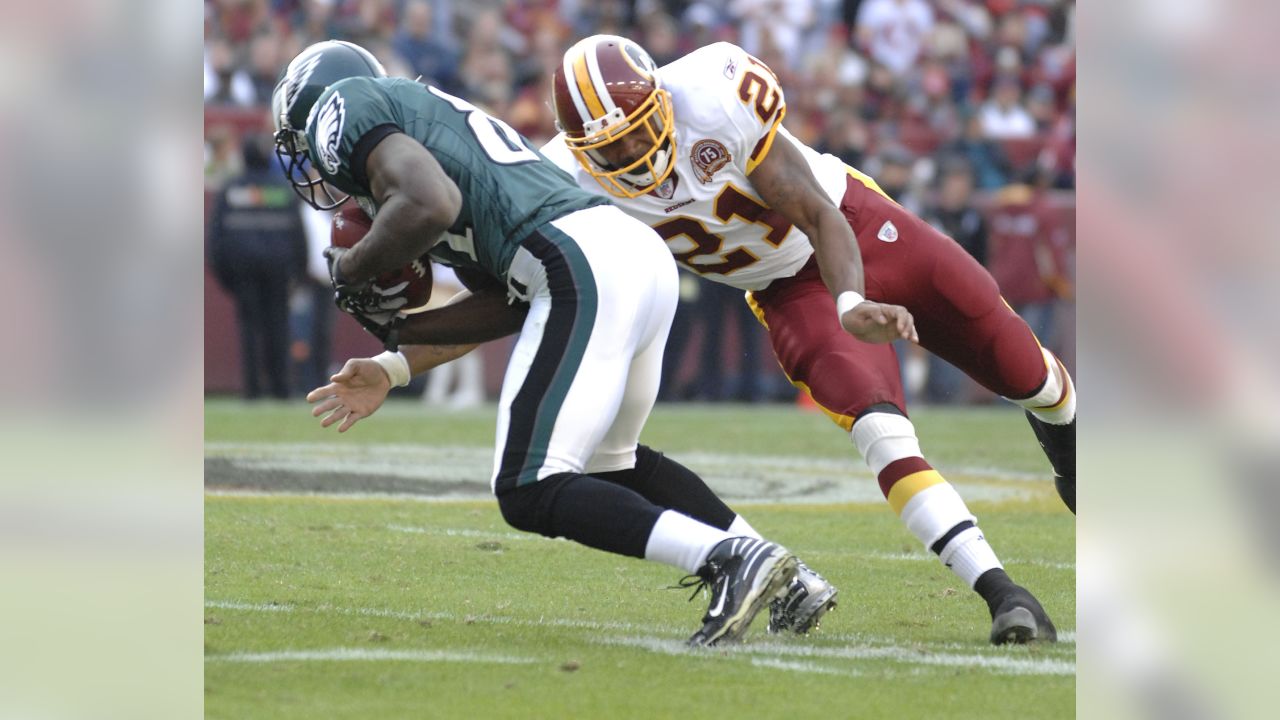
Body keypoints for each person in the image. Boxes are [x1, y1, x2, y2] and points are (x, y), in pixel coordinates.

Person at [270, 40, 837, 645]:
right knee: (611, 463)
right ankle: (789, 576)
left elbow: (431, 204)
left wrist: (353, 268)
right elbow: (509, 304)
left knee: (527, 485)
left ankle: (726, 559)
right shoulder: (442, 147)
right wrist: (395, 359)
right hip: (627, 257)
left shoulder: (346, 104)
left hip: (582, 261)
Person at [543, 35, 1076, 643]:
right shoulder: (561, 179)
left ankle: (1068, 443)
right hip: (786, 289)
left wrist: (849, 300)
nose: (635, 153)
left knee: (1024, 369)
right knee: (878, 428)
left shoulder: (715, 93)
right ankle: (1003, 592)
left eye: (638, 130)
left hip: (857, 225)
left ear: (662, 100)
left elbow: (821, 215)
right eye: (610, 149)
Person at [208, 134, 308, 399]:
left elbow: (216, 238)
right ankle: (281, 389)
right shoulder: (283, 190)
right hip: (279, 270)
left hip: (243, 271)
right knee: (279, 327)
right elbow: (299, 236)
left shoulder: (231, 189)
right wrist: (299, 272)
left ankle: (252, 390)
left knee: (249, 329)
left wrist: (224, 275)